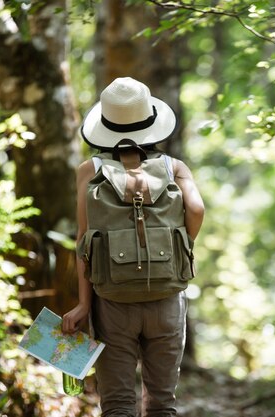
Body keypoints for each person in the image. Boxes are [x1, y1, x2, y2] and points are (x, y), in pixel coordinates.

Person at [62, 77, 205, 417]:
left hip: (113, 303)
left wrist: (84, 304)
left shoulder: (89, 171)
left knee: (119, 404)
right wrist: (178, 245)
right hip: (167, 299)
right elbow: (197, 210)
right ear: (151, 121)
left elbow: (84, 240)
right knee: (161, 403)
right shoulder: (175, 167)